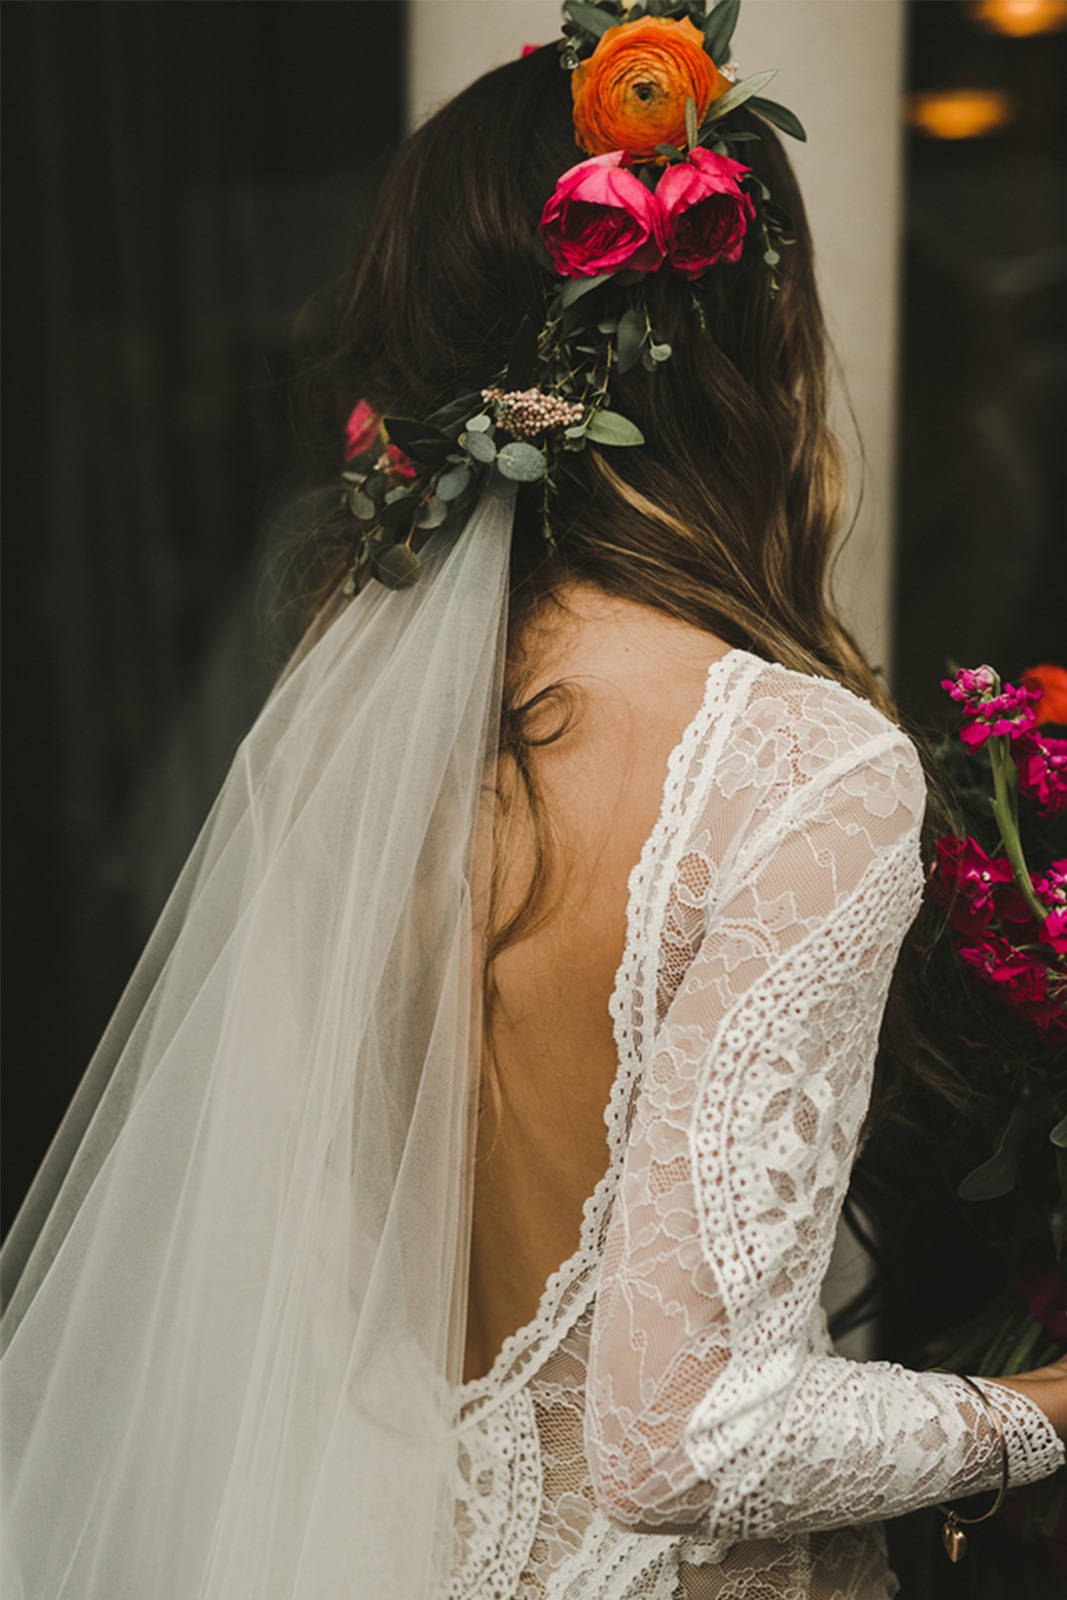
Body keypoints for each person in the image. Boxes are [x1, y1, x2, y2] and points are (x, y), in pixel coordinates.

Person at [1, 6, 1064, 1598]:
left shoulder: (357, 741)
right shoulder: (799, 762)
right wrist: (1042, 1410)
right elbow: (683, 1439)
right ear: (751, 352)